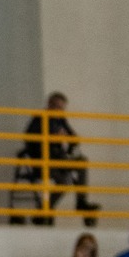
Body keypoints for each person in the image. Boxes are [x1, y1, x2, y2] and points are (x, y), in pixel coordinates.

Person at [9, 91, 101, 225]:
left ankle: (80, 202)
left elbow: (73, 138)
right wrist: (52, 137)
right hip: (43, 162)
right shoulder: (39, 118)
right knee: (64, 182)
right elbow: (29, 139)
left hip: (58, 160)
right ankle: (43, 212)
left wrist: (68, 139)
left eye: (62, 108)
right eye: (57, 107)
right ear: (49, 105)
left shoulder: (61, 119)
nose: (60, 110)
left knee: (81, 162)